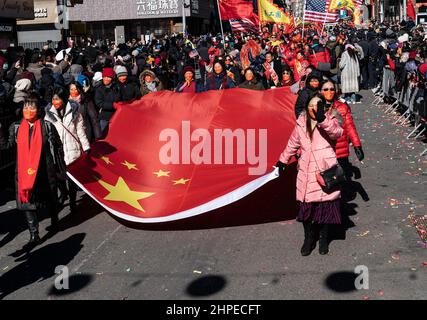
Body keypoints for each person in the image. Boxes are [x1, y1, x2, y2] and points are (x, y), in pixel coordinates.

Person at [276, 95, 344, 256]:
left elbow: (337, 133)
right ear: (306, 107)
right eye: (311, 105)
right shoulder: (301, 122)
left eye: (317, 105)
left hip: (325, 170)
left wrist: (323, 119)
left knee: (325, 208)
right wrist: (282, 160)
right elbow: (293, 143)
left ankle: (324, 238)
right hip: (306, 171)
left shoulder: (330, 119)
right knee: (306, 209)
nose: (314, 108)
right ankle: (308, 238)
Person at [0, 93, 66, 245]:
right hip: (23, 171)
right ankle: (34, 234)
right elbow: (7, 146)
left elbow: (57, 145)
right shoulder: (16, 127)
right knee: (27, 201)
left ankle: (55, 222)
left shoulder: (47, 126)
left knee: (49, 197)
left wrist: (60, 165)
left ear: (38, 110)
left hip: (44, 169)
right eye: (25, 107)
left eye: (31, 107)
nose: (27, 110)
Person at [45, 87, 91, 213]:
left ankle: (72, 201)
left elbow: (80, 131)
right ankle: (63, 193)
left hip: (72, 149)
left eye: (58, 98)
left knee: (72, 178)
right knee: (59, 176)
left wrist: (86, 147)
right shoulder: (48, 114)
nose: (55, 101)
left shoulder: (75, 111)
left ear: (64, 99)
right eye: (53, 99)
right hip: (57, 151)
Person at [320, 80, 364, 179]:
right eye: (326, 89)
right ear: (320, 91)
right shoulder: (316, 106)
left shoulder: (342, 107)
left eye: (332, 89)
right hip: (324, 149)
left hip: (341, 149)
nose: (329, 92)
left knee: (342, 178)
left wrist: (357, 145)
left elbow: (350, 127)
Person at [69, 77, 102, 143]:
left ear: (79, 89)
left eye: (75, 89)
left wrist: (97, 135)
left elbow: (94, 118)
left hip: (85, 131)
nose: (73, 91)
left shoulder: (86, 101)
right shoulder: (66, 102)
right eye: (71, 89)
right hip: (71, 133)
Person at [94, 67, 121, 133]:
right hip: (104, 117)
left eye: (108, 77)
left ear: (112, 78)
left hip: (116, 115)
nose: (106, 79)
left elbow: (120, 97)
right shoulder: (99, 89)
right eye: (104, 77)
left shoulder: (117, 87)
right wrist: (112, 105)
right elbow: (99, 103)